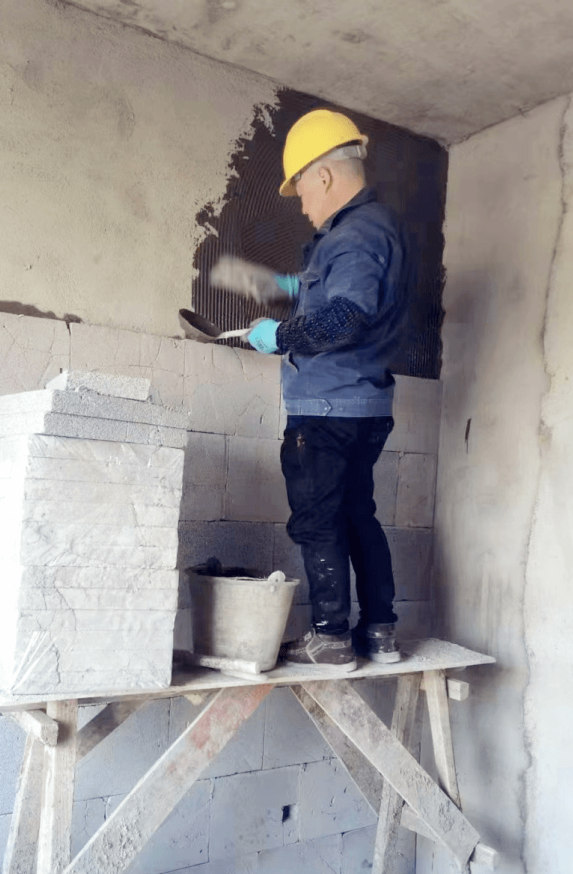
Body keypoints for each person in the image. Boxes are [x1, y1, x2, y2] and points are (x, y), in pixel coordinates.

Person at [211, 109, 410, 668]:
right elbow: (343, 293)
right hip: (361, 404)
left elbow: (345, 317)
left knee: (318, 520)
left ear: (323, 176)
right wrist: (287, 287)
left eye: (301, 191)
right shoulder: (369, 233)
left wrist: (278, 336)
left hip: (327, 408)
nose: (301, 206)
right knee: (357, 515)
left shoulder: (356, 235)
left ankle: (331, 637)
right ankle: (380, 632)